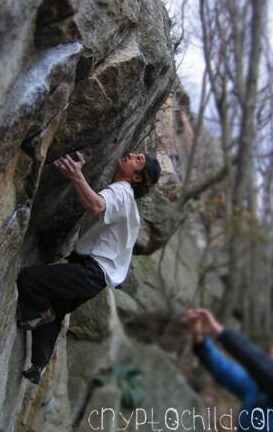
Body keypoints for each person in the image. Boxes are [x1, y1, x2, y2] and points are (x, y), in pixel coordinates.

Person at [17, 150, 161, 384]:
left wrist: (76, 175)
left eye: (139, 160)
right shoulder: (127, 202)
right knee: (57, 311)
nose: (133, 154)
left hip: (89, 272)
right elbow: (93, 203)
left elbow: (95, 205)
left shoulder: (121, 192)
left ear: (136, 177)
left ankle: (41, 313)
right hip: (95, 278)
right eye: (137, 154)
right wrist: (78, 177)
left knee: (30, 279)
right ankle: (38, 365)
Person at [186, 308, 273, 431]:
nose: (272, 349)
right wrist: (200, 340)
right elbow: (225, 370)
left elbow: (259, 362)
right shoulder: (257, 387)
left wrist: (221, 332)